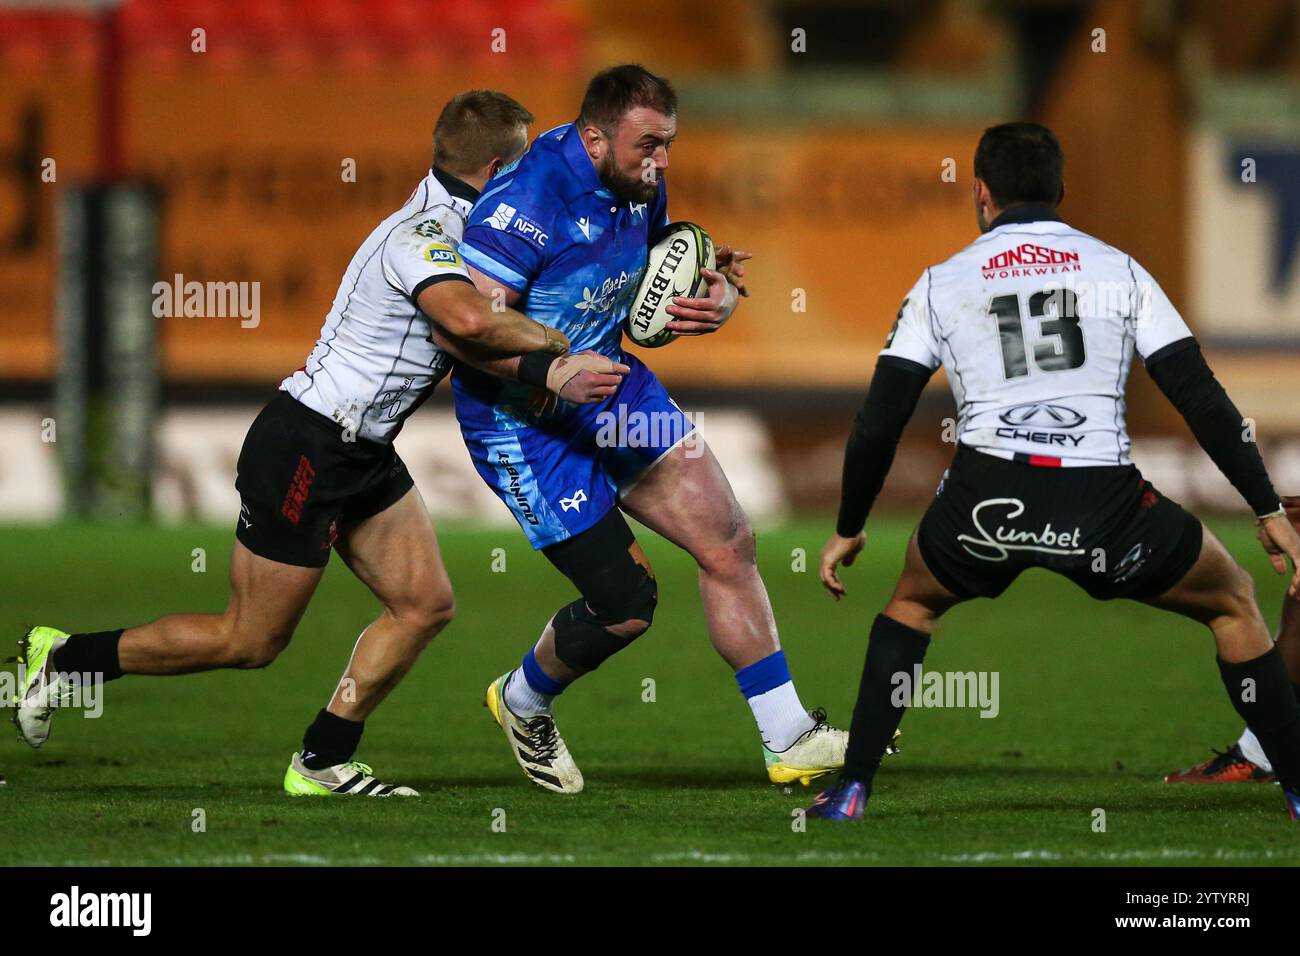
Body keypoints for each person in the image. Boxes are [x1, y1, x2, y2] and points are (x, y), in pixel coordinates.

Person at [12, 90, 624, 797]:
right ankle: (65, 661)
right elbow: (465, 321)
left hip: (363, 450)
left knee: (424, 605)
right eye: (525, 168)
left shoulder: (471, 236)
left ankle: (322, 760)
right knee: (249, 641)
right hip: (307, 443)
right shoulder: (423, 233)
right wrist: (556, 343)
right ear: (497, 170)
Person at [806, 122, 1300, 822]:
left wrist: (850, 525)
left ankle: (853, 788)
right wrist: (1265, 508)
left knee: (911, 606)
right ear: (1061, 190)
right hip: (1104, 505)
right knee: (1233, 603)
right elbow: (1200, 397)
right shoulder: (1119, 270)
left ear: (981, 194)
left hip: (985, 501)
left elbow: (879, 420)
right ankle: (1297, 786)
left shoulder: (942, 282)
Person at [444, 65, 851, 794]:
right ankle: (523, 700)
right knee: (628, 605)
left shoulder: (637, 180)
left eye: (669, 145)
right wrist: (549, 373)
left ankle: (790, 738)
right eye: (648, 145)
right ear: (595, 139)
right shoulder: (526, 204)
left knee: (729, 541)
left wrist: (715, 293)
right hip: (523, 421)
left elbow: (652, 271)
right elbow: (461, 334)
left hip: (611, 389)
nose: (661, 162)